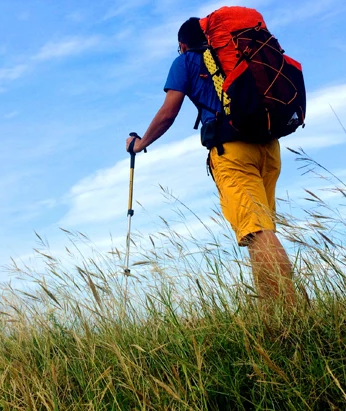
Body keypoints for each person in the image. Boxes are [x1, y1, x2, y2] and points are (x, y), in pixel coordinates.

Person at [125, 16, 296, 305]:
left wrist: (140, 144)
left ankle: (293, 316)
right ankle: (273, 313)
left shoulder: (186, 62)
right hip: (269, 147)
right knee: (261, 231)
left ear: (182, 44)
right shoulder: (237, 53)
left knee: (256, 231)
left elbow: (169, 112)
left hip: (232, 150)